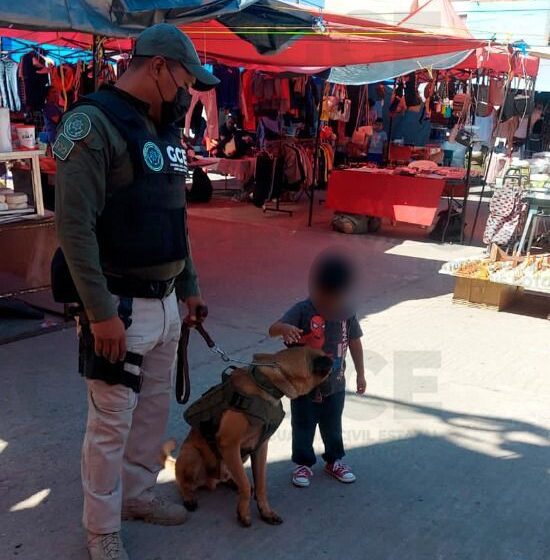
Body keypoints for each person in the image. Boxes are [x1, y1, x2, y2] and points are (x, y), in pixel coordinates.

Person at [54, 23, 219, 560]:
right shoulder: (92, 124)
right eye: (185, 79)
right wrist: (100, 314)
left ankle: (138, 496)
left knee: (150, 414)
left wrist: (189, 287)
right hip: (118, 306)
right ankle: (101, 527)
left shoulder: (165, 129)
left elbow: (175, 217)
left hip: (167, 301)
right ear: (157, 67)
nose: (188, 92)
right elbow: (74, 227)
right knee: (110, 423)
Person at [268, 251, 366, 489]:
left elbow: (355, 341)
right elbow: (273, 329)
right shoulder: (303, 309)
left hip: (336, 384)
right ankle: (303, 463)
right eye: (327, 296)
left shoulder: (346, 312)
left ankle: (335, 461)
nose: (332, 302)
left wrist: (361, 373)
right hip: (303, 386)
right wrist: (285, 329)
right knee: (303, 424)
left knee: (333, 425)